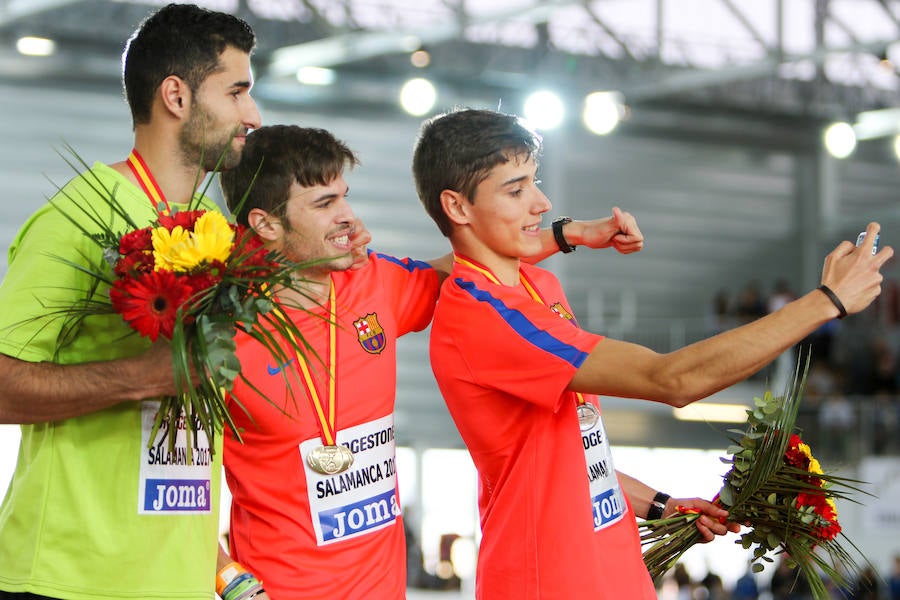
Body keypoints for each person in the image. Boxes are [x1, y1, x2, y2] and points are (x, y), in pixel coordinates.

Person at [411, 107, 891, 600]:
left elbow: (568, 458)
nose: (541, 202)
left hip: (611, 570)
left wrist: (661, 504)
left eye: (535, 181)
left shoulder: (538, 283)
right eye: (516, 190)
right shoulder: (482, 315)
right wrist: (825, 302)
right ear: (457, 206)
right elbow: (672, 381)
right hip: (549, 579)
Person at [216, 124, 645, 599]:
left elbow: (469, 262)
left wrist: (571, 234)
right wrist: (233, 585)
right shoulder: (218, 334)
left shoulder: (374, 282)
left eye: (344, 196)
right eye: (324, 204)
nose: (348, 217)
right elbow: (179, 475)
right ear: (266, 224)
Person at [0, 4, 262, 599]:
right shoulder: (81, 214)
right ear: (176, 95)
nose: (253, 114)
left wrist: (220, 571)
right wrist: (142, 377)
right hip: (69, 580)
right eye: (238, 91)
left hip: (178, 583)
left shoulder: (211, 230)